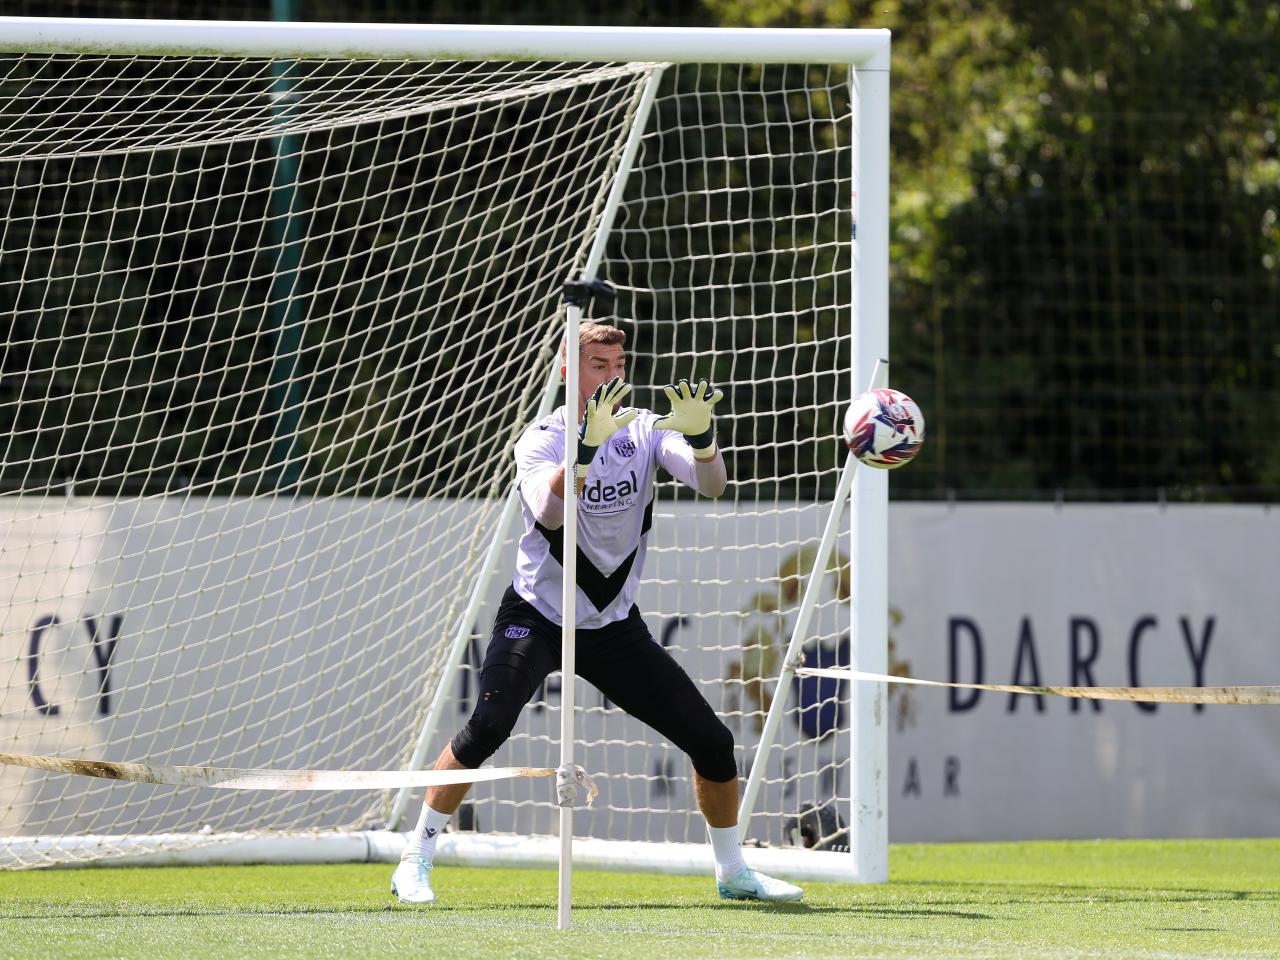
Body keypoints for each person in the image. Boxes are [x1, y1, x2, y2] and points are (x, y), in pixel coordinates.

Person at [391, 321, 803, 905]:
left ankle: (733, 872)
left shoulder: (644, 431)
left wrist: (705, 438)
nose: (612, 376)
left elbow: (713, 483)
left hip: (611, 628)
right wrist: (582, 450)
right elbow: (551, 513)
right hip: (536, 617)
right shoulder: (539, 437)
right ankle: (415, 857)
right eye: (597, 365)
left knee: (712, 743)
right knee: (487, 726)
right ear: (568, 370)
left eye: (618, 364)